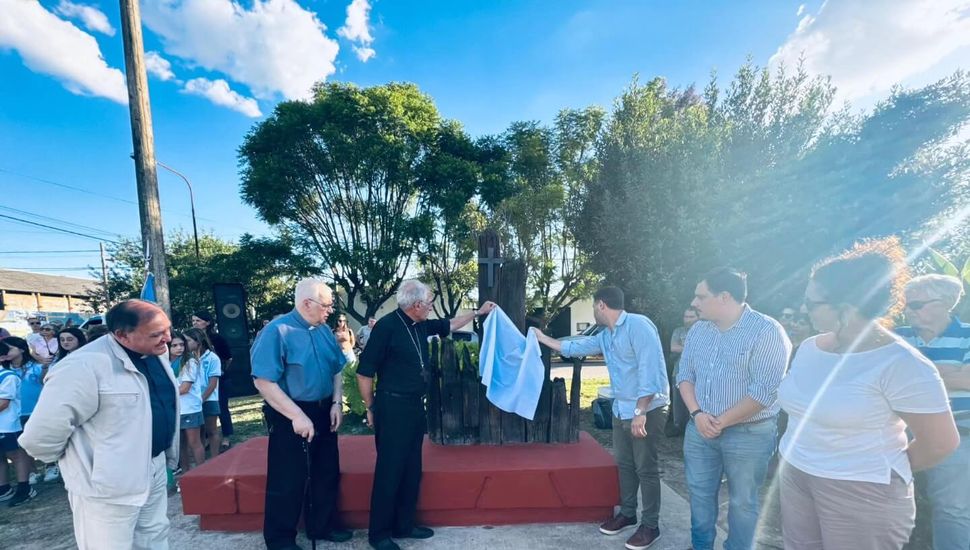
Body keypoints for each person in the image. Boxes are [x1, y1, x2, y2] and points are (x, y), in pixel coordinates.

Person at [778, 241, 960, 549]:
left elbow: (941, 443)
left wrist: (878, 468)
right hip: (796, 475)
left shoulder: (902, 364)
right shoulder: (810, 348)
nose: (803, 309)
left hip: (862, 492)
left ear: (846, 308)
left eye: (811, 303)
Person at [19, 300, 178, 549]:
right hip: (106, 484)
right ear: (122, 335)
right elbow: (40, 436)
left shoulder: (156, 355)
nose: (166, 339)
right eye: (156, 334)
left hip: (153, 467)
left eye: (167, 330)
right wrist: (86, 466)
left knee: (153, 537)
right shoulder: (83, 366)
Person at [357, 280, 495, 550]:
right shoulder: (386, 328)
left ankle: (404, 524)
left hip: (412, 407)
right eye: (430, 302)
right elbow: (364, 373)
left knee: (411, 468)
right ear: (416, 305)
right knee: (390, 470)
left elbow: (450, 324)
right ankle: (379, 534)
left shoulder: (420, 324)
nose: (432, 306)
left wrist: (477, 313)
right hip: (391, 407)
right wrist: (371, 407)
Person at [533, 286, 669, 550]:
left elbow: (650, 371)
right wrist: (542, 338)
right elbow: (576, 347)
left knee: (646, 468)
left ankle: (651, 525)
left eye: (594, 307)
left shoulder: (638, 326)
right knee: (625, 464)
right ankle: (628, 514)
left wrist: (640, 412)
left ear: (601, 305)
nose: (594, 311)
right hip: (622, 409)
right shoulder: (606, 335)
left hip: (647, 410)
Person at [677, 267, 791, 550]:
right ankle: (701, 546)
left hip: (749, 434)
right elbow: (684, 376)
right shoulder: (699, 331)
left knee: (743, 502)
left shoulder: (766, 331)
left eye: (701, 296)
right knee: (700, 494)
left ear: (724, 297)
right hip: (699, 429)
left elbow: (765, 391)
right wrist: (697, 415)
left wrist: (719, 421)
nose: (695, 303)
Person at [251, 278, 352, 549]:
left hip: (323, 408)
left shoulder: (322, 330)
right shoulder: (276, 331)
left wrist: (336, 403)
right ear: (307, 303)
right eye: (327, 305)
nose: (330, 310)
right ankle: (280, 538)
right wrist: (296, 415)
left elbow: (337, 368)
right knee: (288, 478)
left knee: (326, 471)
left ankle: (322, 524)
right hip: (290, 411)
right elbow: (263, 381)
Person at [896, 273, 970, 550]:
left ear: (946, 304)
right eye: (906, 305)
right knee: (878, 497)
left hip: (957, 432)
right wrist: (950, 373)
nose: (907, 311)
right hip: (897, 431)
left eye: (916, 305)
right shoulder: (898, 337)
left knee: (953, 509)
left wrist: (917, 372)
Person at [1, 337, 47, 488]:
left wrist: (43, 365)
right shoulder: (7, 370)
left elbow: (43, 382)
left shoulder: (34, 367)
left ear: (21, 349)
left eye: (10, 348)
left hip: (35, 409)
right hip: (18, 414)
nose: (7, 351)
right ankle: (32, 471)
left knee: (41, 439)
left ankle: (50, 465)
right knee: (23, 445)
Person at [0, 339, 36, 506]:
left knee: (15, 453)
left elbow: (3, 403)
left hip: (7, 424)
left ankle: (24, 486)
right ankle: (4, 487)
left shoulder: (8, 377)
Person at [192, 311, 234, 451]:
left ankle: (226, 437)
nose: (195, 323)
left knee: (221, 407)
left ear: (207, 322)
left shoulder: (217, 339)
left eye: (198, 320)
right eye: (193, 321)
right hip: (201, 380)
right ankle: (207, 438)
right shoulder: (193, 339)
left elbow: (228, 358)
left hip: (219, 379)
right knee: (205, 409)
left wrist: (221, 370)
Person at [184, 328, 222, 458]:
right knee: (197, 432)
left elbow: (213, 383)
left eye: (188, 340)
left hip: (208, 398)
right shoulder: (187, 359)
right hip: (192, 401)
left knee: (211, 430)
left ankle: (215, 458)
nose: (185, 344)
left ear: (198, 341)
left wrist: (202, 399)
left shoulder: (212, 358)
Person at [667, 307, 699, 436]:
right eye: (686, 316)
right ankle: (678, 426)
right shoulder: (678, 331)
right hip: (679, 372)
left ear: (698, 317)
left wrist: (684, 347)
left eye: (692, 317)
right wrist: (694, 347)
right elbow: (674, 347)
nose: (688, 320)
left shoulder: (705, 331)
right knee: (678, 402)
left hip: (699, 374)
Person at [177, 330, 206, 473]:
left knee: (194, 442)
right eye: (174, 345)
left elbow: (184, 388)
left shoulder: (190, 362)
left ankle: (202, 475)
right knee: (180, 445)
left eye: (182, 344)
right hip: (175, 409)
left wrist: (164, 393)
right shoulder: (165, 362)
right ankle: (185, 475)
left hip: (190, 409)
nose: (179, 348)